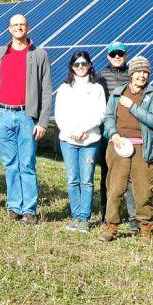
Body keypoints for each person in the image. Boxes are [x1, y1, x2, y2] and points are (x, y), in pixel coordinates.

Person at [0, 14, 52, 225]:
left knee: (27, 164)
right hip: (2, 114)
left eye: (22, 25)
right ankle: (14, 207)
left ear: (27, 28)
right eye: (15, 25)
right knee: (10, 164)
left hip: (26, 116)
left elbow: (46, 91)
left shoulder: (39, 54)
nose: (19, 28)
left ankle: (29, 210)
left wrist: (43, 121)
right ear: (9, 29)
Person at [99, 56, 153, 244]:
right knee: (115, 188)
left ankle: (145, 229)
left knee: (143, 190)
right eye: (138, 72)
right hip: (118, 146)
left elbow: (152, 120)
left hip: (144, 148)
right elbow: (108, 117)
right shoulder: (118, 93)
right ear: (131, 73)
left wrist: (132, 106)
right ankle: (111, 227)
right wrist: (113, 134)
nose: (142, 75)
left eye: (145, 72)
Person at [54, 51, 106, 233]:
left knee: (87, 180)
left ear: (90, 65)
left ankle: (84, 218)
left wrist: (84, 130)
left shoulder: (97, 88)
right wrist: (71, 132)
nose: (81, 67)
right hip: (68, 140)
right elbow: (59, 114)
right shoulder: (64, 88)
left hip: (90, 140)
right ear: (71, 67)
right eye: (77, 64)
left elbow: (100, 113)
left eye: (84, 64)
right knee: (72, 179)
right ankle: (75, 216)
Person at [98, 40, 138, 233]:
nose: (116, 57)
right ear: (108, 56)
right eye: (113, 54)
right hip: (108, 133)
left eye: (120, 54)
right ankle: (107, 215)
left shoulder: (133, 76)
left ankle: (133, 219)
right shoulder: (101, 76)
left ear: (125, 56)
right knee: (107, 175)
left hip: (128, 132)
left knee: (130, 177)